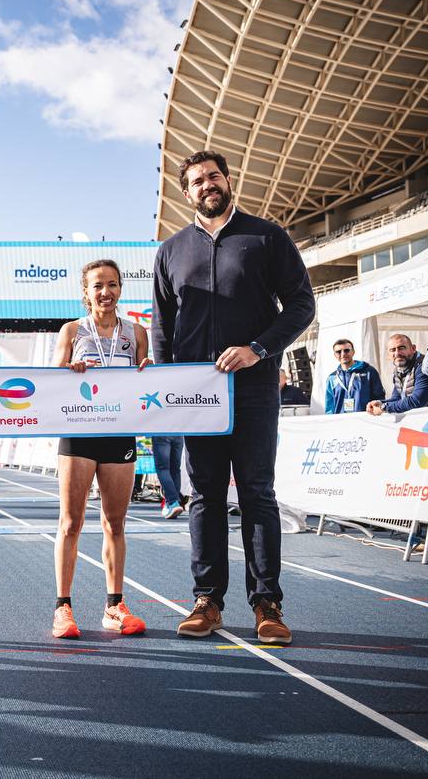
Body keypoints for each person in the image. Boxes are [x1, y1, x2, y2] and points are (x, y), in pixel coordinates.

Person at [152, 149, 315, 646]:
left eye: (214, 176)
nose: (208, 185)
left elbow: (302, 305)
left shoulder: (267, 236)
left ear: (228, 180)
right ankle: (208, 601)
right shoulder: (171, 251)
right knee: (203, 496)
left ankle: (268, 604)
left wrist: (259, 349)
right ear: (187, 192)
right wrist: (165, 386)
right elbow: (163, 328)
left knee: (257, 494)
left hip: (254, 387)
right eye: (197, 180)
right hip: (196, 396)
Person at [49, 259, 152, 639]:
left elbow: (144, 380)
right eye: (97, 286)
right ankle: (63, 608)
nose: (105, 292)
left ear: (121, 288)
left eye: (111, 284)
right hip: (78, 433)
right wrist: (68, 368)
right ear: (86, 292)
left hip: (119, 433)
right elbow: (50, 383)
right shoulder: (72, 330)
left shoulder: (136, 332)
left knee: (115, 523)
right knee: (71, 522)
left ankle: (114, 605)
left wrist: (149, 372)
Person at [366, 334, 428, 416]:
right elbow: (397, 398)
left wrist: (384, 407)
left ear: (413, 349)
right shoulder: (398, 369)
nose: (397, 353)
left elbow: (416, 401)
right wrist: (379, 403)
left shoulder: (422, 366)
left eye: (401, 348)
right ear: (388, 355)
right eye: (392, 350)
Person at [324, 338, 384, 414]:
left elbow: (379, 397)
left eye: (346, 350)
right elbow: (329, 405)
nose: (343, 354)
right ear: (335, 355)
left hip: (365, 420)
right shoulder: (332, 378)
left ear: (353, 352)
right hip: (340, 422)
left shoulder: (369, 371)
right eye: (338, 352)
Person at [152, 434, 185, 520]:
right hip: (178, 433)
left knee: (163, 469)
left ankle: (173, 502)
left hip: (161, 431)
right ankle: (172, 503)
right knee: (175, 470)